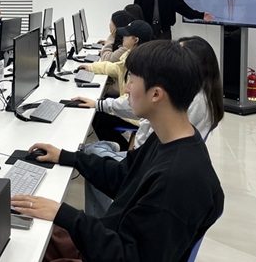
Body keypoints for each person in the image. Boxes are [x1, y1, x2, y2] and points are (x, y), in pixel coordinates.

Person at [11, 40, 225, 262]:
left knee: (21, 247)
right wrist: (66, 157)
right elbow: (122, 176)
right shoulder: (168, 138)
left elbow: (128, 256)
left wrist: (64, 214)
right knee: (25, 228)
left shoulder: (179, 181)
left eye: (131, 80)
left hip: (113, 250)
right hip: (110, 238)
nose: (127, 89)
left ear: (156, 94)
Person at [73, 35, 225, 217]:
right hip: (143, 158)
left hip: (143, 160)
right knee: (91, 155)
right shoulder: (196, 100)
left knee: (92, 153)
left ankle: (102, 214)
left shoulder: (191, 107)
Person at [78, 20, 153, 148]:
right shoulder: (132, 54)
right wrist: (91, 67)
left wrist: (98, 104)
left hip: (137, 114)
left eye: (126, 35)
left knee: (98, 117)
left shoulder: (141, 63)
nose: (122, 37)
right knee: (100, 110)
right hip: (130, 106)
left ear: (135, 40)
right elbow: (116, 67)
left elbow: (130, 101)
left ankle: (120, 149)